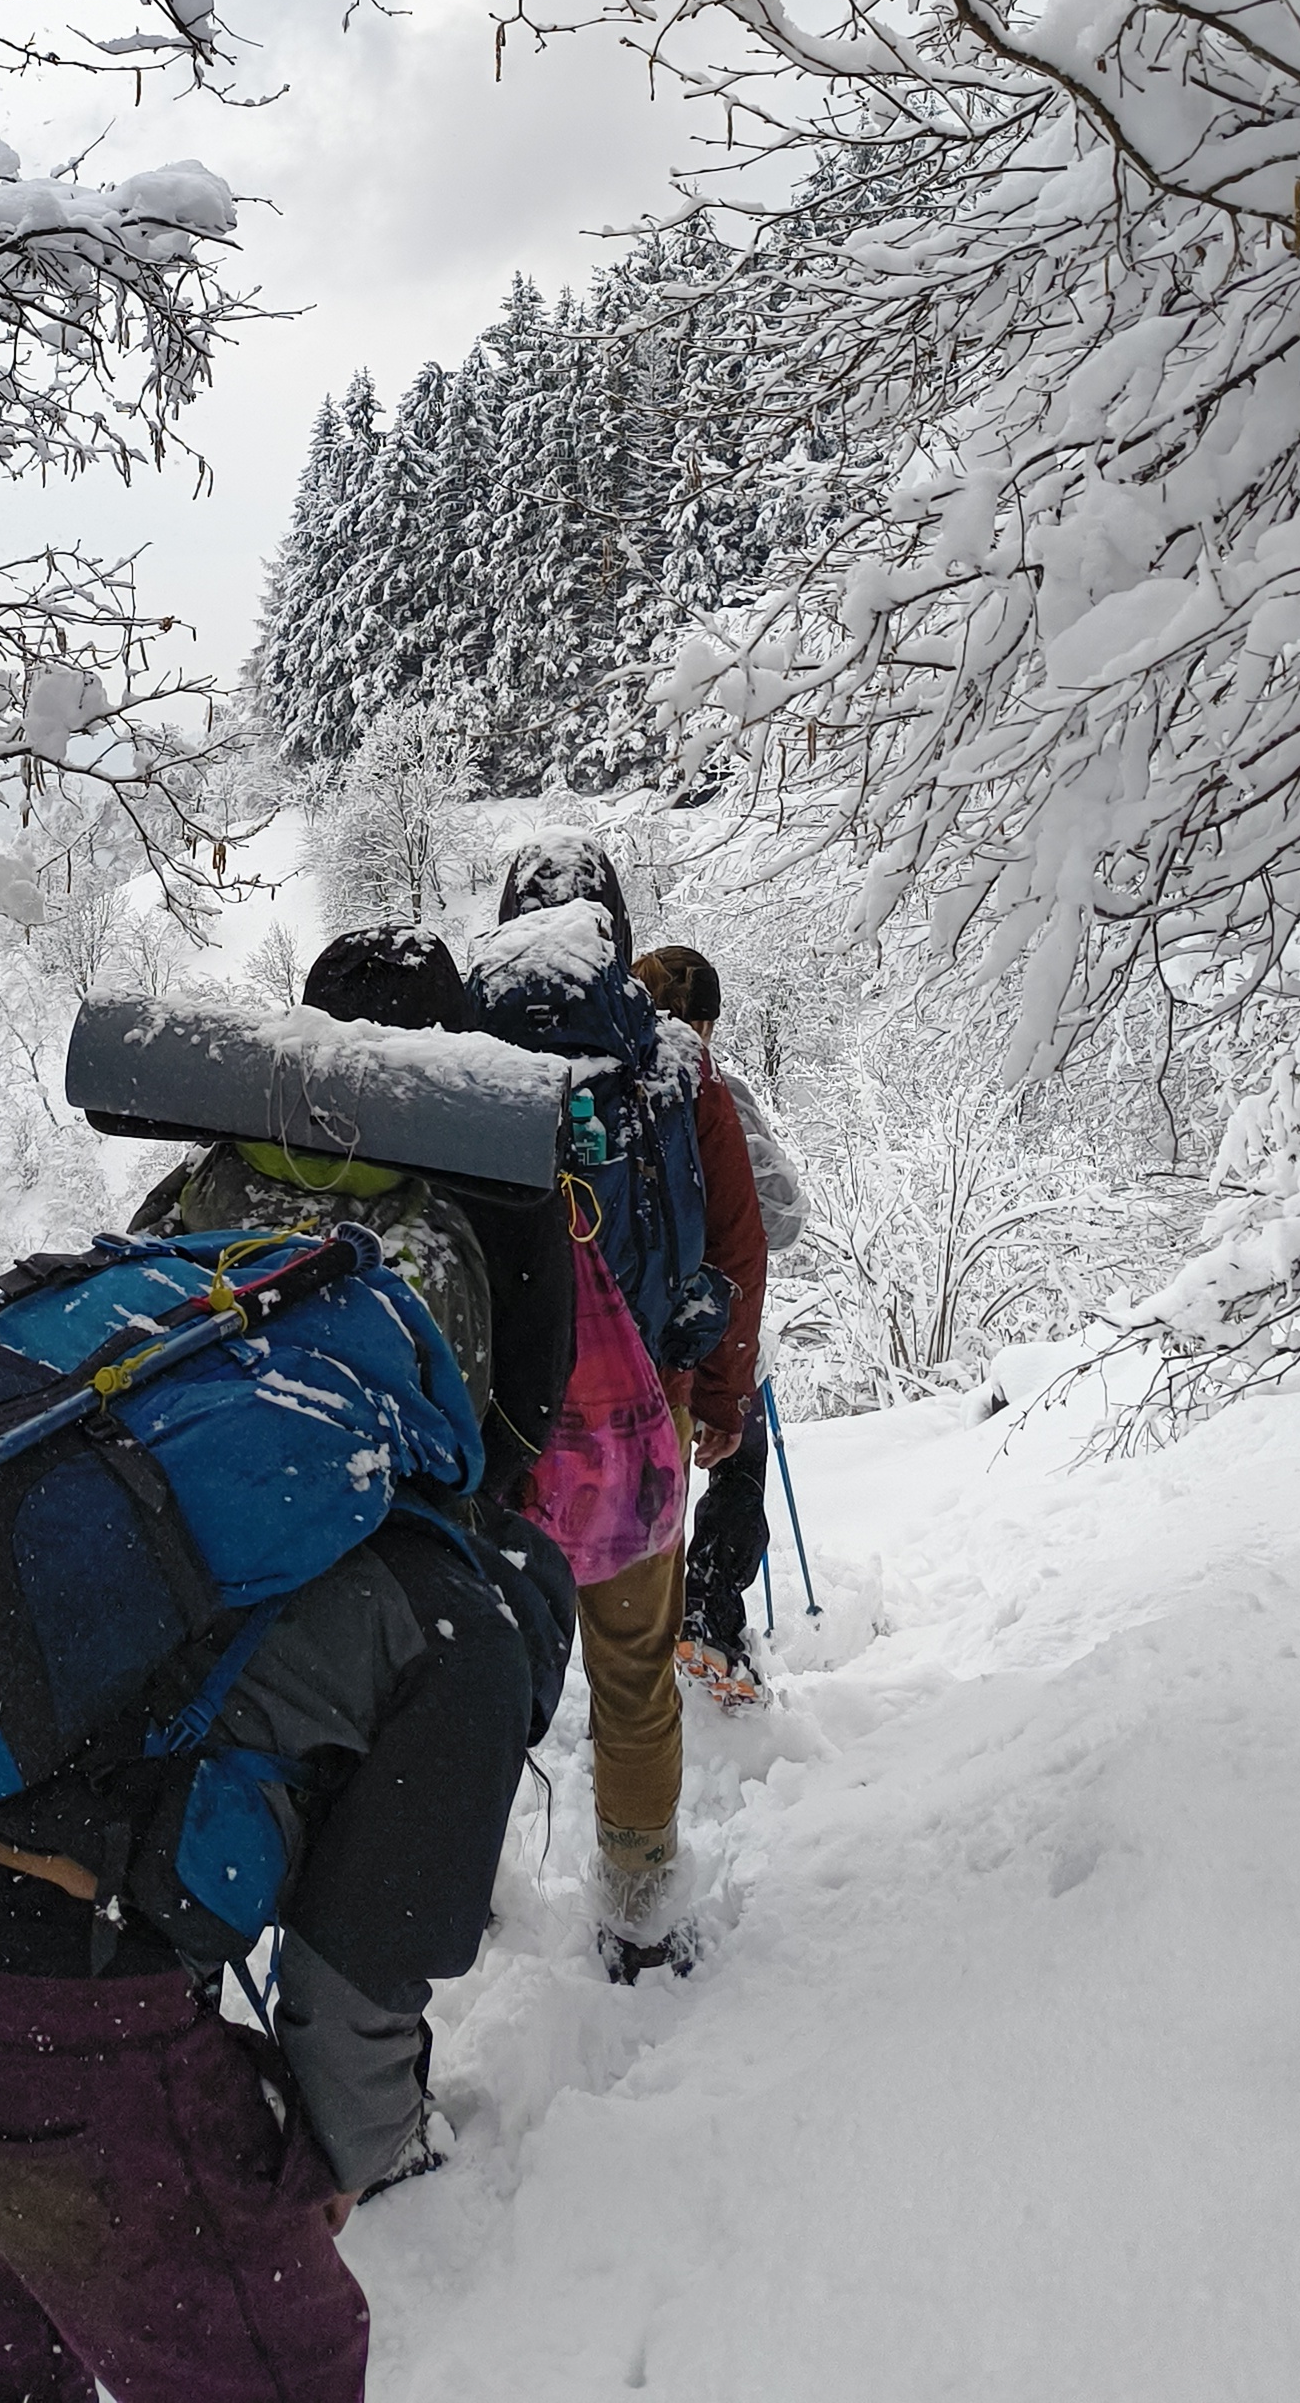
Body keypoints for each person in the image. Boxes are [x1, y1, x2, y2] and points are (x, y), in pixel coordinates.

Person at [0, 1116, 578, 2403]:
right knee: (291, 2365)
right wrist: (340, 2158)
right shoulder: (471, 1635)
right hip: (61, 2032)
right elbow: (358, 1972)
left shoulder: (230, 1469)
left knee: (13, 2376)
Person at [461, 835, 741, 1981]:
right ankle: (637, 1910)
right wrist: (714, 1389)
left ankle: (458, 1896)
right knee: (632, 1676)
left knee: (472, 1675)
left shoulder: (455, 1059)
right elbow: (726, 1242)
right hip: (639, 1426)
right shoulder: (670, 1063)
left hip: (494, 1442)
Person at [131, 925, 577, 1507]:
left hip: (185, 1481)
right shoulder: (494, 1175)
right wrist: (488, 1482)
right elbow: (537, 1373)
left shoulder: (231, 1149)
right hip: (400, 1508)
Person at [632, 942, 796, 1706]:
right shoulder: (716, 1090)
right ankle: (709, 1616)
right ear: (707, 1020)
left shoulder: (596, 1084)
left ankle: (631, 1643)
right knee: (738, 1463)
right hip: (716, 1331)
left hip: (625, 1340)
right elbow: (782, 1217)